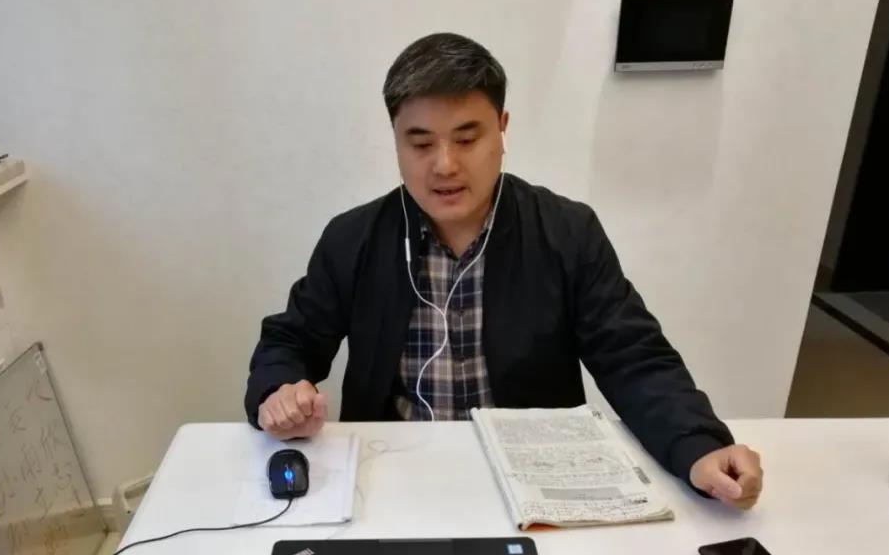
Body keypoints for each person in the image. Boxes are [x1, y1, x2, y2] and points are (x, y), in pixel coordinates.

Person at [246, 33, 763, 509]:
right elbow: (290, 340)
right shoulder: (353, 238)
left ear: (502, 129)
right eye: (421, 143)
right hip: (393, 480)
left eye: (466, 139)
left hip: (536, 484)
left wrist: (698, 446)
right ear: (397, 142)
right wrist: (279, 392)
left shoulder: (567, 232)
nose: (444, 165)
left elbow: (635, 358)